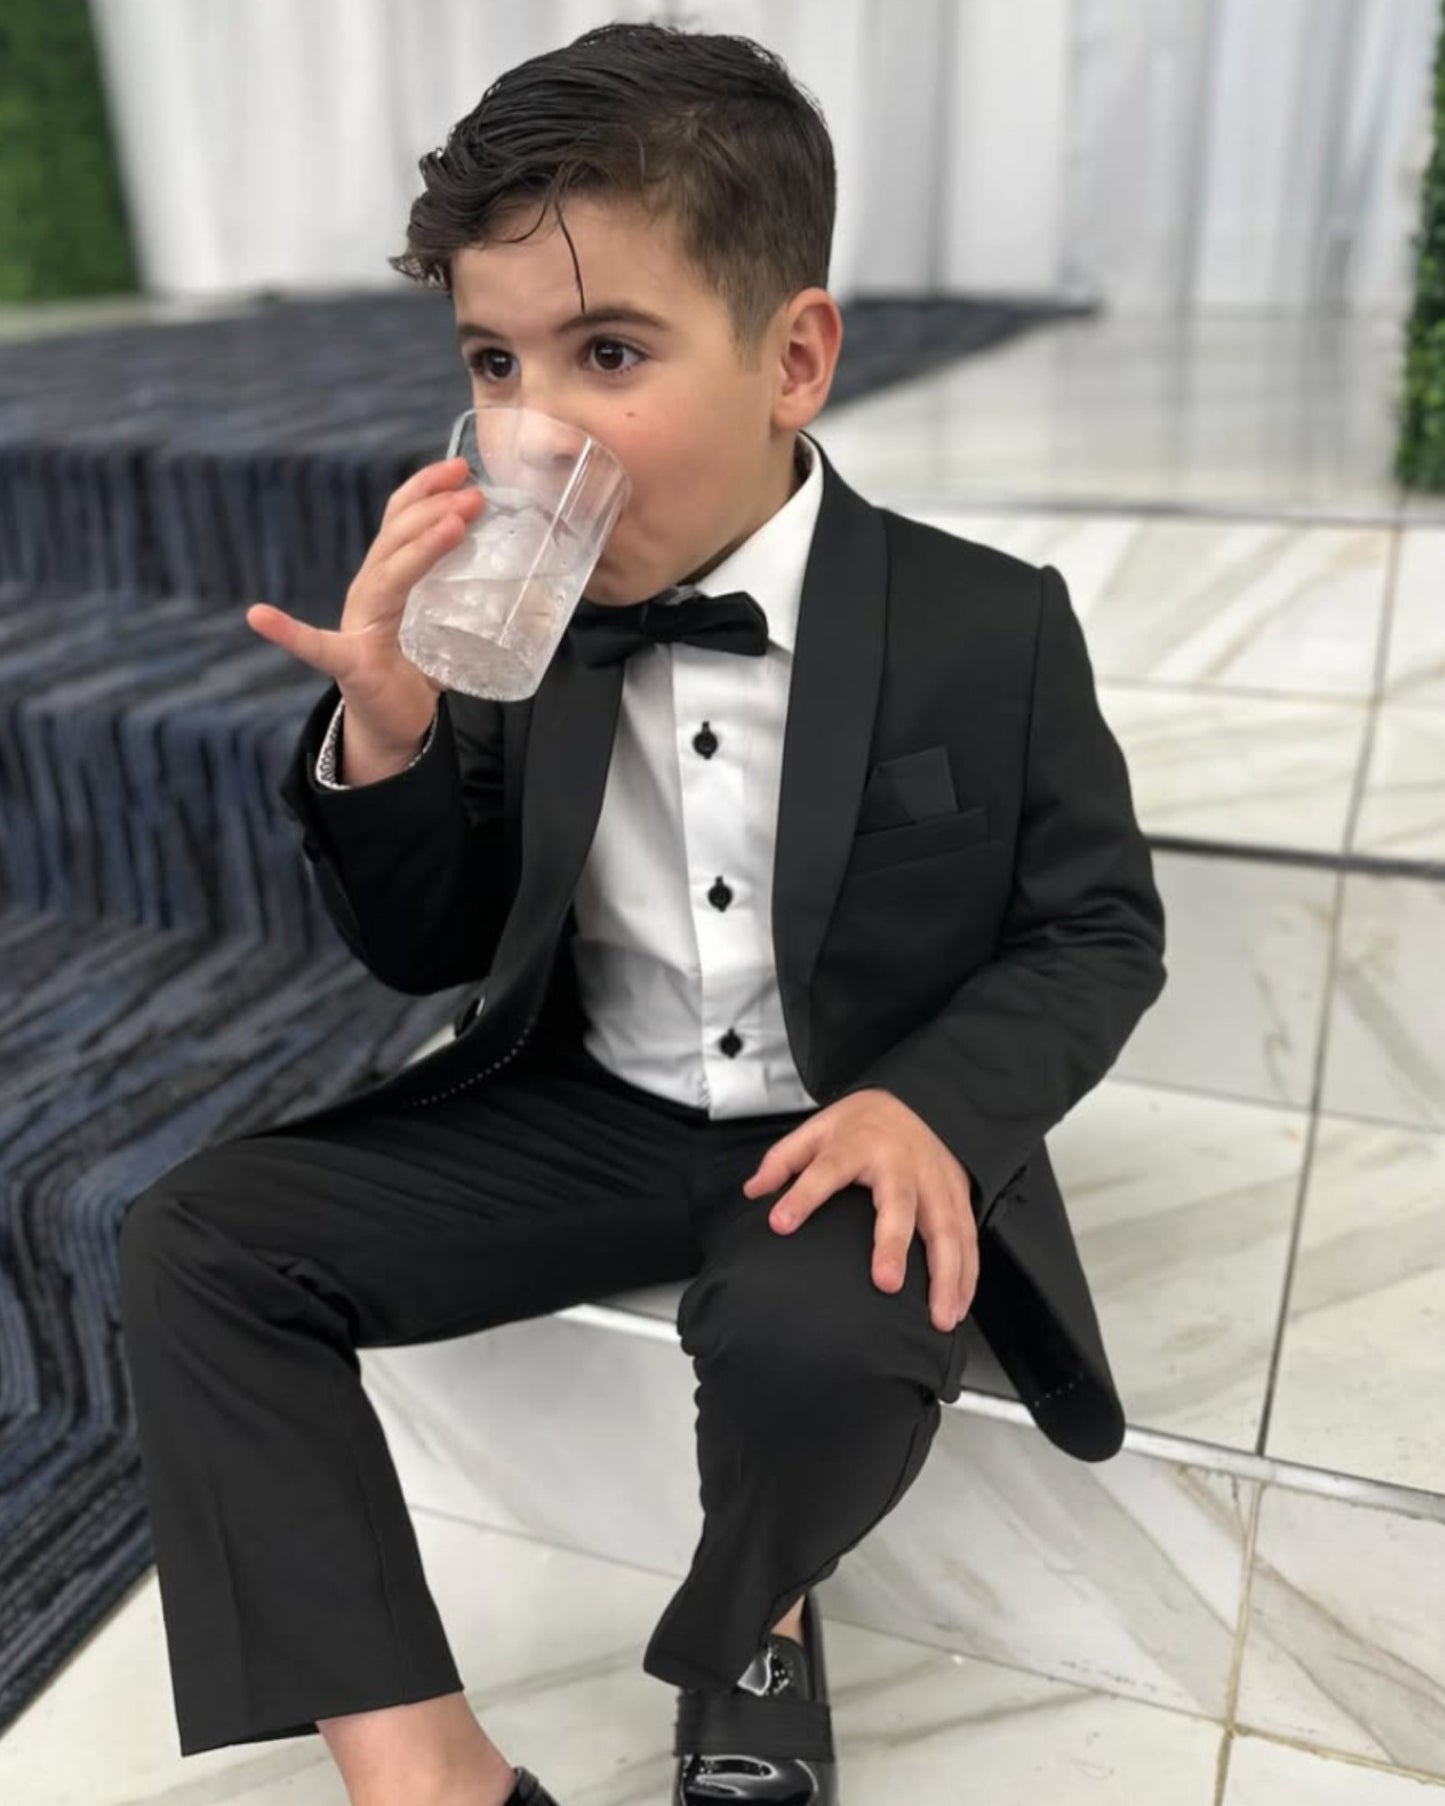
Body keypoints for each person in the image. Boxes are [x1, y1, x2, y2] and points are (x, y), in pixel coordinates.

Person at [117, 20, 1167, 1806]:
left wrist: (933, 1105)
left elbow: (1098, 929)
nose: (533, 433)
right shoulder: (514, 622)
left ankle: (753, 1616)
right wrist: (390, 737)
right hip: (589, 1103)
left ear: (793, 358)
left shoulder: (986, 625)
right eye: (492, 363)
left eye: (606, 353)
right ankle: (427, 1772)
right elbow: (431, 950)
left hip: (839, 1118)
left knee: (810, 1343)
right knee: (192, 1241)